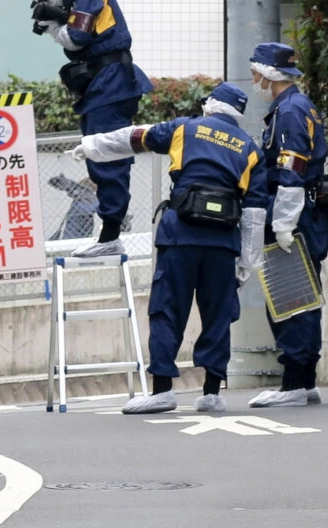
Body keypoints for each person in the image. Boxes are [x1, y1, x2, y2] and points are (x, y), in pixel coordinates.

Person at [71, 82, 268, 414]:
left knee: (167, 311)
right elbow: (254, 212)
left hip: (180, 235)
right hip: (222, 242)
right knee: (218, 316)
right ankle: (211, 393)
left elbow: (135, 138)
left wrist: (92, 146)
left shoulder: (185, 129)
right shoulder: (250, 149)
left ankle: (162, 390)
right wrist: (247, 262)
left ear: (209, 106)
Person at [23, 0, 153, 257]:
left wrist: (55, 22)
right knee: (99, 154)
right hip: (102, 82)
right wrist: (57, 18)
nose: (47, 2)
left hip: (111, 82)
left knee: (108, 154)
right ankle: (109, 233)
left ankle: (110, 235)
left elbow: (76, 38)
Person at [246, 42, 328, 408]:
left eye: (255, 72)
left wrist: (282, 223)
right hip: (305, 214)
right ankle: (304, 381)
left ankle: (294, 384)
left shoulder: (290, 111)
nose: (253, 78)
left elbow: (291, 171)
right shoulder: (296, 106)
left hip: (295, 215)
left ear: (267, 74)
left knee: (290, 298)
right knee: (303, 298)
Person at [48, 174, 99, 240]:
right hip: (75, 237)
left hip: (72, 236)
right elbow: (97, 205)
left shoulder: (78, 201)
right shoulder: (84, 202)